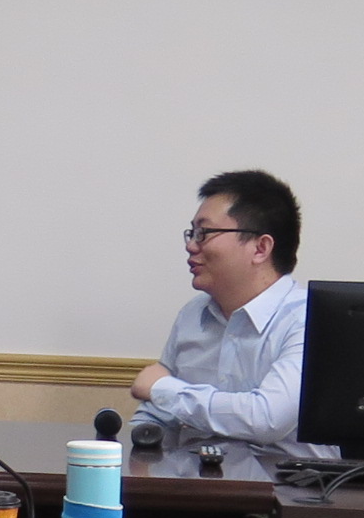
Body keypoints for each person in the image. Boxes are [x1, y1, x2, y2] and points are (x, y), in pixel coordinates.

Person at [131, 170, 310, 447]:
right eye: (192, 233)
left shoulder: (307, 320)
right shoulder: (192, 315)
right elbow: (158, 413)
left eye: (204, 233)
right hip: (194, 473)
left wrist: (163, 389)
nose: (191, 246)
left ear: (260, 248)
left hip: (283, 475)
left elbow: (266, 419)